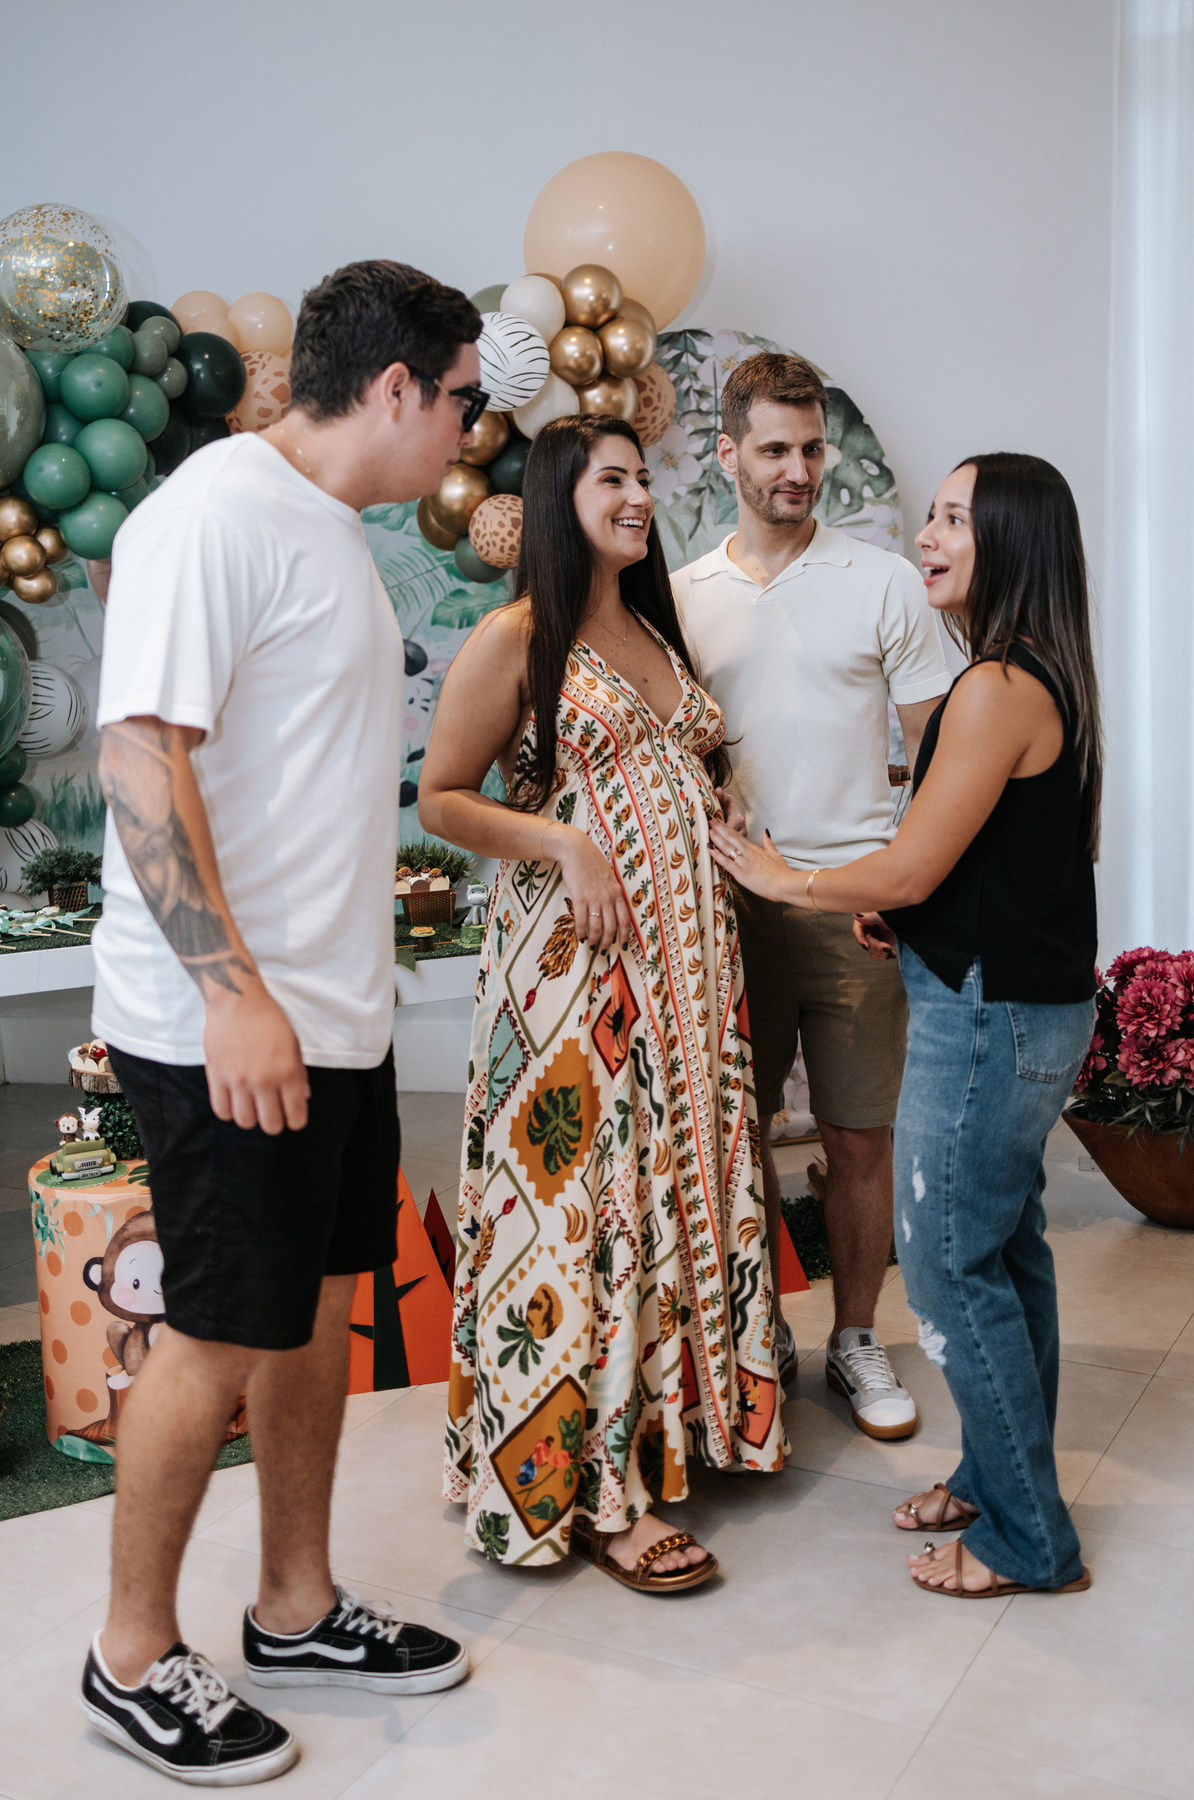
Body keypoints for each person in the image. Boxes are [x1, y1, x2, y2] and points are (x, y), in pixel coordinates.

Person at [82, 261, 486, 1784]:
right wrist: (232, 992)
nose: (467, 432)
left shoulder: (329, 530)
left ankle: (297, 1605)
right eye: (459, 402)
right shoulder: (212, 515)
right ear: (393, 388)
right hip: (224, 1020)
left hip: (331, 1016)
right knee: (216, 1332)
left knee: (317, 1306)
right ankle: (130, 1657)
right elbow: (141, 757)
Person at [709, 452, 1100, 1597]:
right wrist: (908, 917)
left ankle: (1025, 1542)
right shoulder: (1038, 672)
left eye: (954, 521)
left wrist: (787, 880)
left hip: (990, 1024)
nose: (927, 537)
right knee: (1005, 1255)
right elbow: (1001, 860)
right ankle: (996, 1481)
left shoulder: (993, 687)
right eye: (932, 516)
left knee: (949, 1270)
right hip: (1024, 1007)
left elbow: (919, 861)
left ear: (1011, 542)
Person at [420, 413, 786, 1592]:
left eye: (641, 477)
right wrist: (564, 844)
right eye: (609, 480)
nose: (637, 496)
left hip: (693, 971)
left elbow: (680, 762)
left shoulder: (651, 625)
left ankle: (680, 1427)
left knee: (674, 1180)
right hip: (576, 973)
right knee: (587, 1202)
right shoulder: (517, 634)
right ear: (557, 498)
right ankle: (587, 1490)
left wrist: (726, 811)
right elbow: (442, 797)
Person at [672, 351, 949, 1436]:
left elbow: (940, 753)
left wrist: (900, 882)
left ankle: (856, 1339)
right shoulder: (683, 596)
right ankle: (756, 1339)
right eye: (776, 448)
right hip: (728, 910)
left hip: (852, 904)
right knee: (732, 1137)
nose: (798, 469)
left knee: (859, 1139)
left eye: (812, 448)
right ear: (728, 453)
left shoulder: (882, 581)